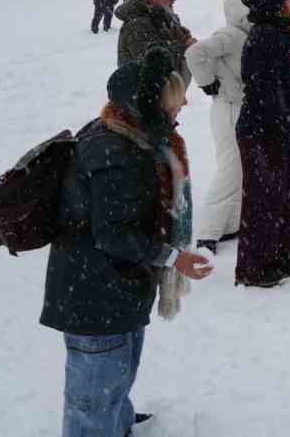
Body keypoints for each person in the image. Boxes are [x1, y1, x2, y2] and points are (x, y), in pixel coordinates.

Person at [41, 47, 213, 437]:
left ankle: (115, 424)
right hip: (95, 292)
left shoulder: (129, 136)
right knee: (93, 393)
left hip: (115, 287)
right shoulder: (116, 152)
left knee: (116, 373)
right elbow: (114, 235)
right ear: (148, 104)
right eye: (174, 97)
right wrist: (173, 258)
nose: (183, 102)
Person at [234, 0, 290, 288]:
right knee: (263, 199)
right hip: (263, 130)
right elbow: (271, 88)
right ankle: (256, 266)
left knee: (284, 196)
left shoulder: (279, 34)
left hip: (278, 128)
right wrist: (282, 121)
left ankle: (283, 257)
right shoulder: (268, 38)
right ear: (276, 6)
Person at [183, 0, 253, 253]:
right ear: (240, 14)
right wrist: (206, 82)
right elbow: (194, 52)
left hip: (239, 109)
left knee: (240, 169)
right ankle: (207, 233)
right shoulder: (230, 35)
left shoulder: (242, 35)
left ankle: (230, 224)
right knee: (230, 169)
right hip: (229, 109)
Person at [115, 0, 195, 81]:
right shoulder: (137, 23)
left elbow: (166, 44)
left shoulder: (164, 17)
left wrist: (184, 38)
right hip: (142, 88)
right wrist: (184, 48)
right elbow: (148, 58)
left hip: (164, 85)